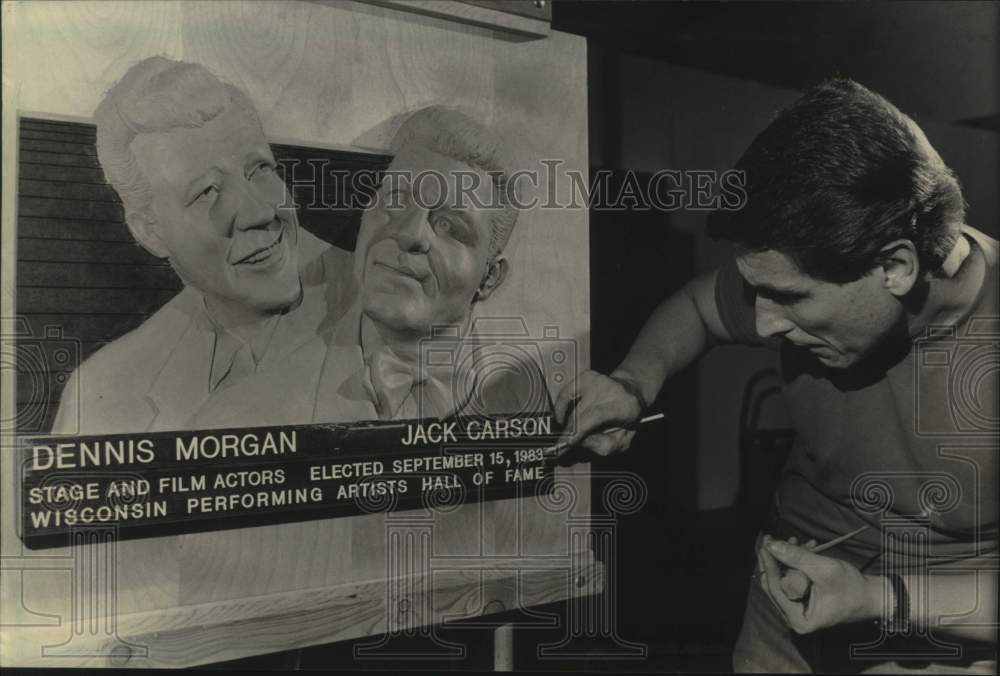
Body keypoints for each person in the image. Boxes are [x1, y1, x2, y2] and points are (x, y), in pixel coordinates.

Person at [555, 79, 997, 672]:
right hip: (789, 588)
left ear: (895, 266)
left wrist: (877, 599)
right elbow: (698, 307)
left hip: (943, 619)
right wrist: (634, 382)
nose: (764, 326)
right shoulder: (810, 273)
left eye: (787, 298)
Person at [51, 56, 351, 435]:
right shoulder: (101, 390)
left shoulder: (394, 315)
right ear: (151, 232)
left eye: (259, 170)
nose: (259, 212)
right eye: (208, 191)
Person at [313, 105, 550, 422]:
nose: (409, 233)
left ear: (490, 277)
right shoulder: (269, 377)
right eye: (396, 200)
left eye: (449, 226)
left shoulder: (524, 393)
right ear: (365, 215)